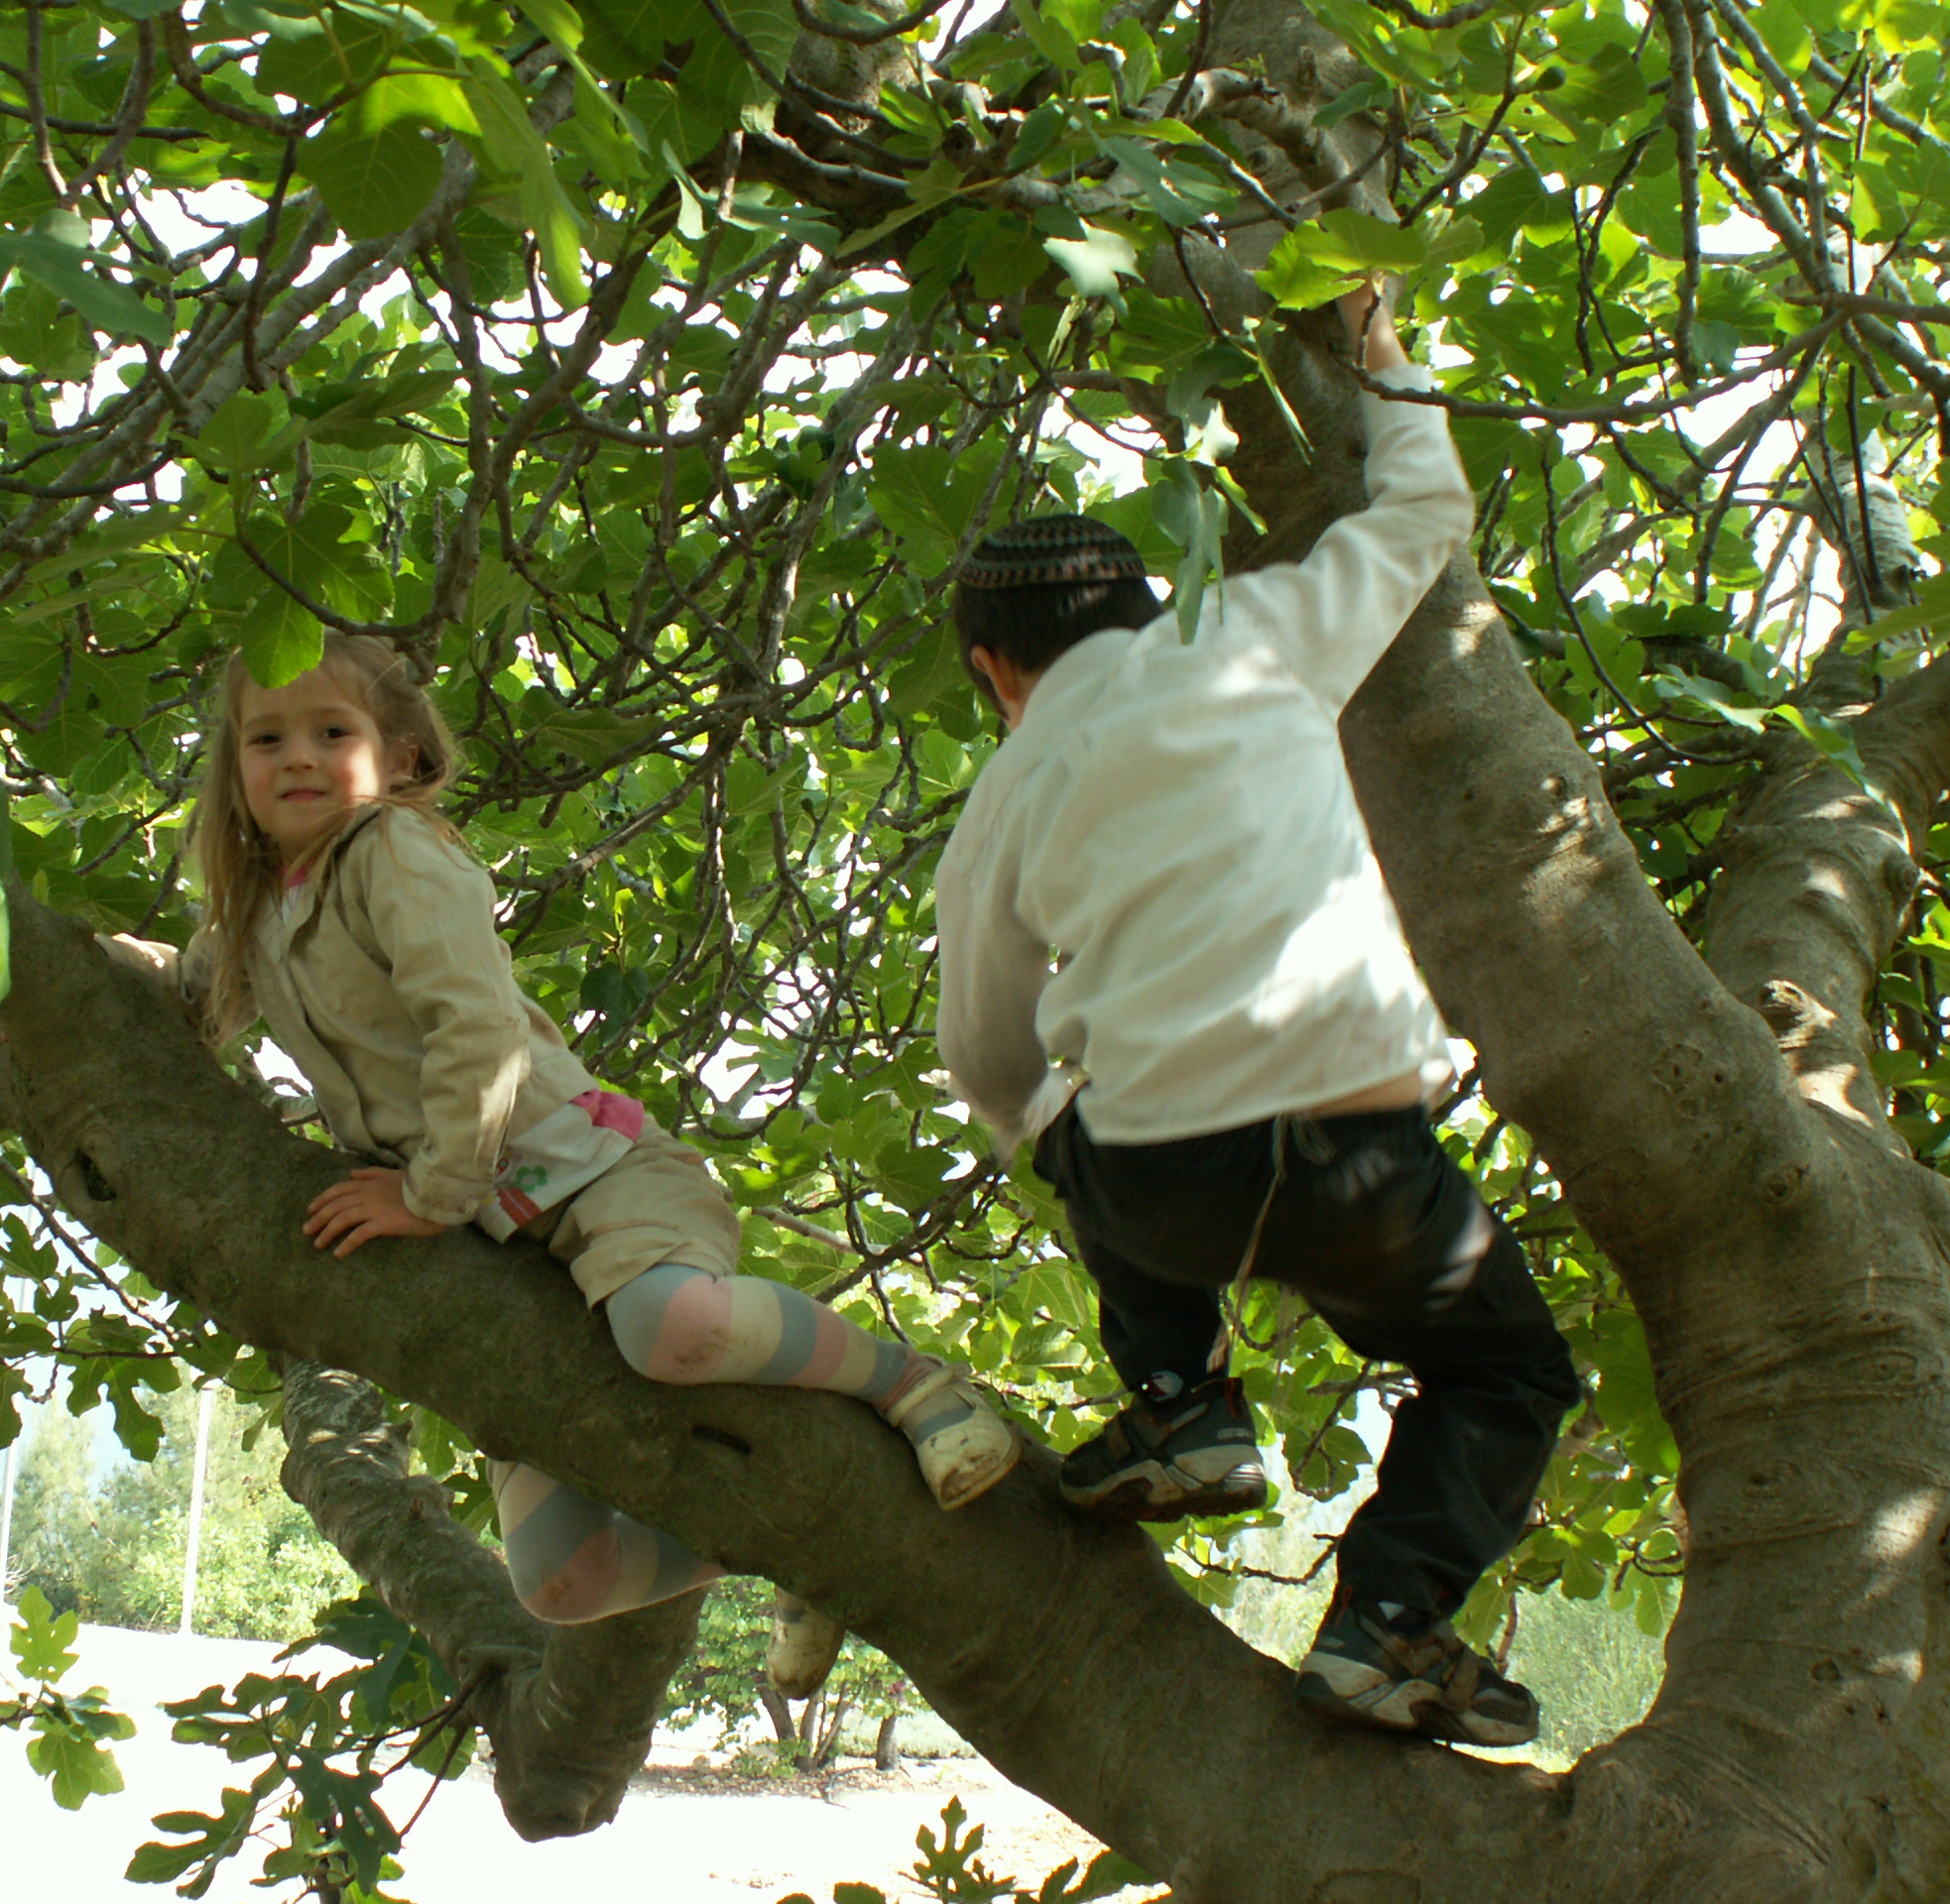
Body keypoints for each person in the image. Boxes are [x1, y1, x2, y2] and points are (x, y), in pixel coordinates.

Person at [930, 283, 1582, 1747]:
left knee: (1064, 1108)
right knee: (1505, 1371)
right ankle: (1384, 1625)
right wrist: (1378, 345)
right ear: (1145, 607)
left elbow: (982, 1049)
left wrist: (1043, 1132)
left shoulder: (1007, 789)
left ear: (993, 669)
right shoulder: (1254, 632)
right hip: (1366, 1163)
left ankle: (1180, 1400)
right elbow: (1425, 515)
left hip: (1165, 1183)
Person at [116, 632, 1018, 1689]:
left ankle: (914, 1386)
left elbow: (476, 1030)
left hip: (592, 1175)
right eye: (266, 739)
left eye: (332, 731)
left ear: (399, 758)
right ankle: (813, 1550)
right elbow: (191, 998)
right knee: (561, 1579)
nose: (299, 757)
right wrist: (95, 970)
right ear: (234, 768)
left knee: (670, 1325)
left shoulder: (394, 853)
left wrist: (429, 1195)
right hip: (502, 1254)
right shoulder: (260, 908)